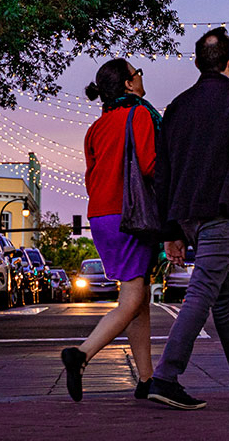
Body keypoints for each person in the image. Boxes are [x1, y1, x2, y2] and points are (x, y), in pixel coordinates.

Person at [147, 27, 229, 410]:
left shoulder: (176, 108)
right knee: (203, 290)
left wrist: (171, 229)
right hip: (221, 210)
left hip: (186, 214)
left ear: (198, 64)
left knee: (220, 297)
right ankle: (166, 376)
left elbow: (164, 174)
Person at [61, 58, 161, 402]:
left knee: (139, 297)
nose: (140, 78)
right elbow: (150, 165)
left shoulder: (95, 127)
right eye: (137, 74)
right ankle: (82, 354)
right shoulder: (141, 114)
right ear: (129, 84)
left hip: (100, 215)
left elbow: (91, 175)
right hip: (130, 213)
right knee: (132, 298)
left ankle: (146, 379)